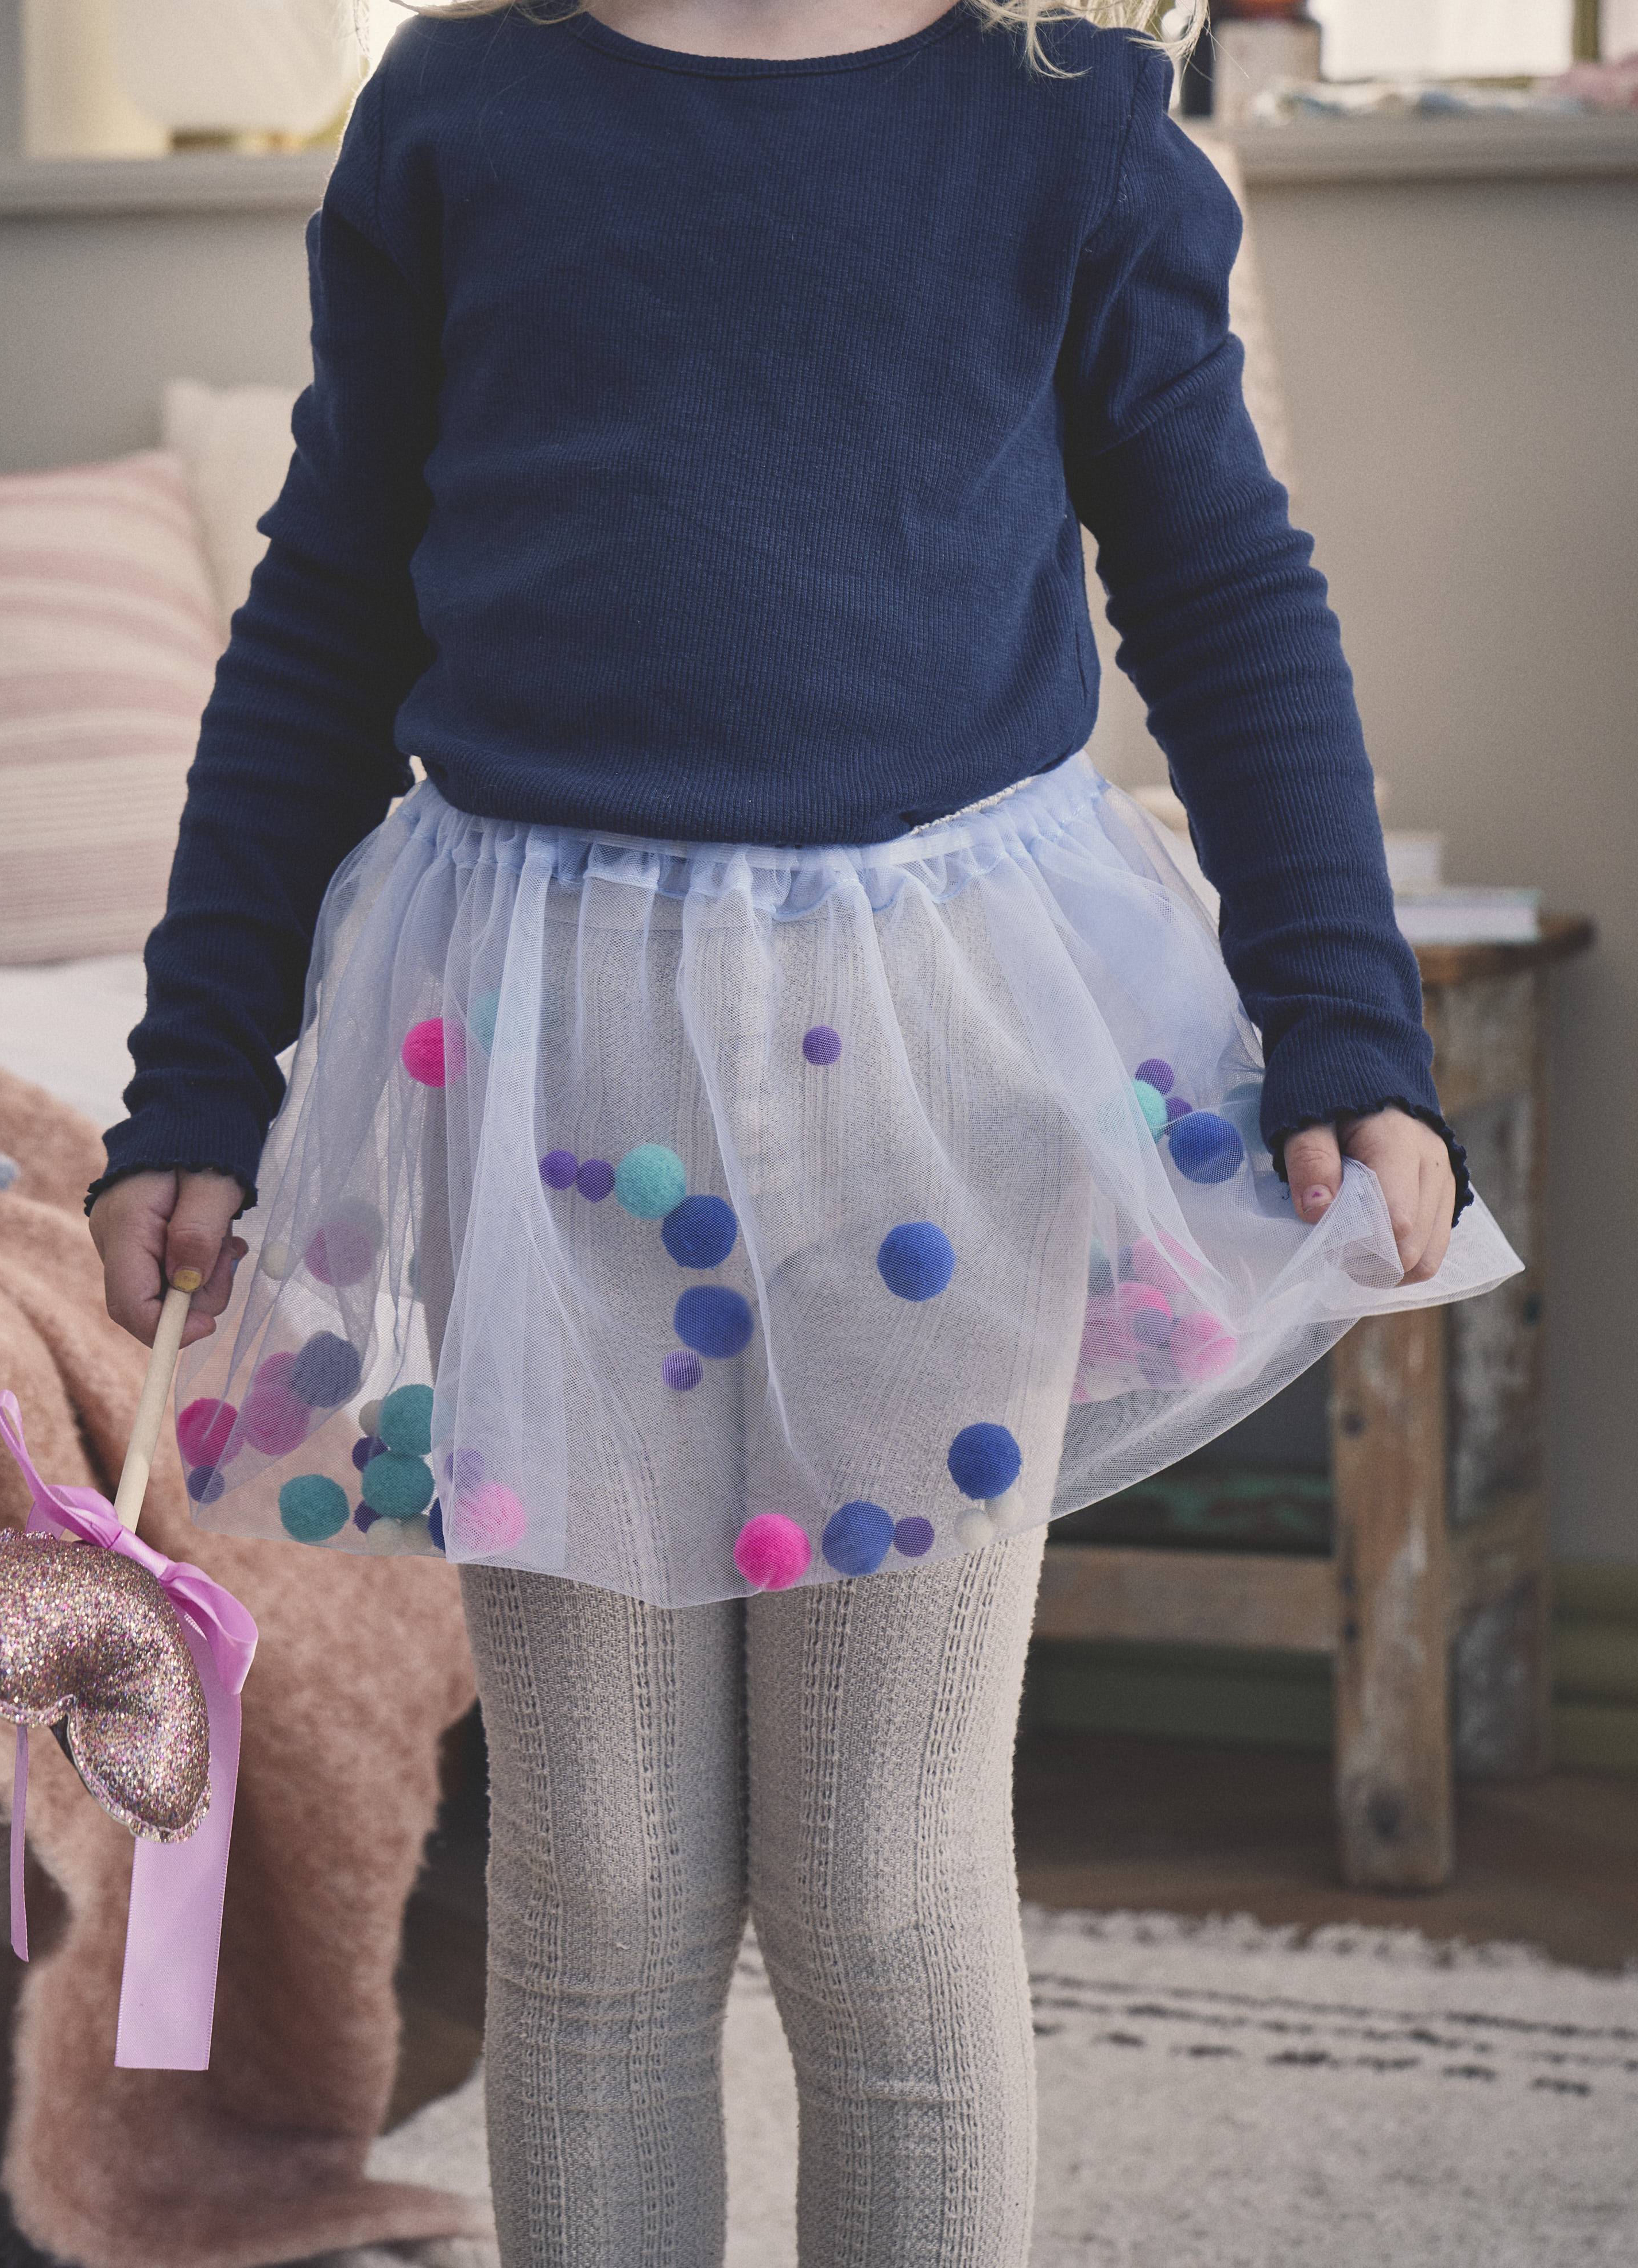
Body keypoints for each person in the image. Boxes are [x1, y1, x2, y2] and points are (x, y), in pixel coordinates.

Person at [88, 5, 1514, 2260]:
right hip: (547, 1071)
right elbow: (329, 601)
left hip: (931, 1081)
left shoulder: (1062, 122)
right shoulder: (463, 107)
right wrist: (198, 1067)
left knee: (873, 1875)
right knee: (600, 1880)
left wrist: (1343, 1014)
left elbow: (1227, 587)